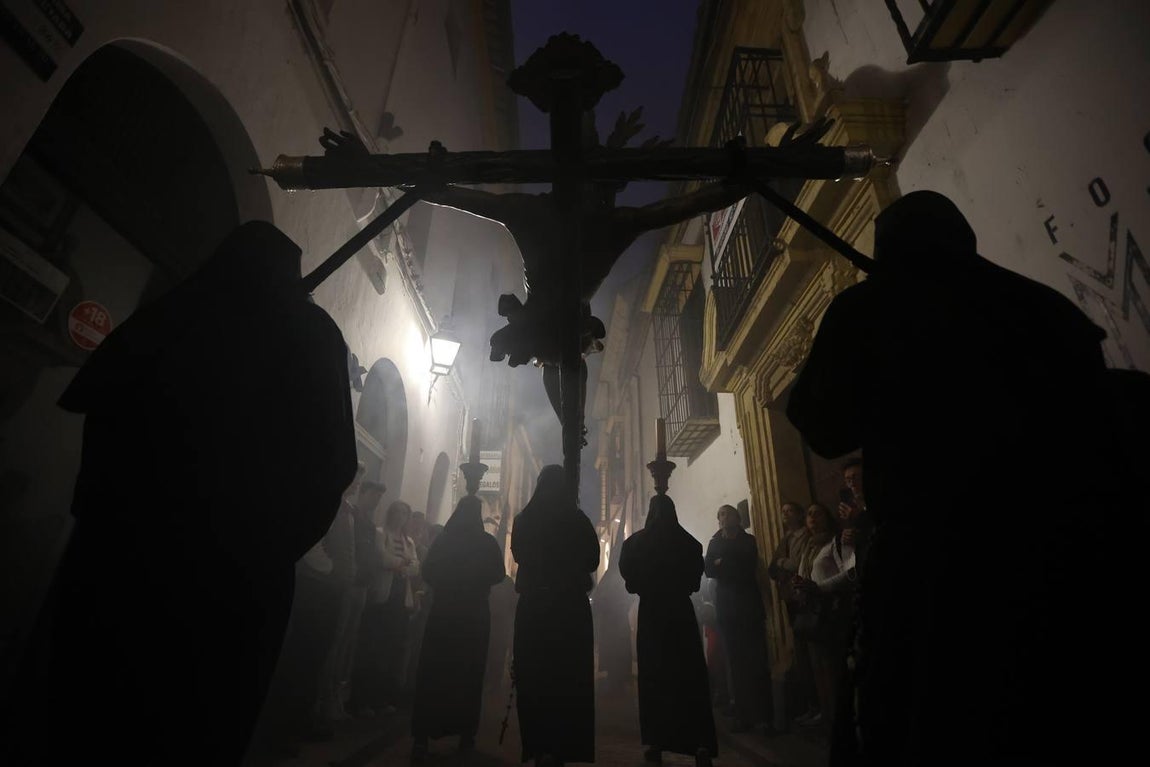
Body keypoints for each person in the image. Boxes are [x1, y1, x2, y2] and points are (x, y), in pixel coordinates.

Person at [786, 190, 1135, 765]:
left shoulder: (870, 310)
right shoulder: (1044, 308)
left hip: (935, 571)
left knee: (928, 727)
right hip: (1066, 561)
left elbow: (819, 422)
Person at [4, 221, 358, 765]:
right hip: (230, 580)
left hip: (120, 556)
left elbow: (104, 419)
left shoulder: (175, 314)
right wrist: (267, 550)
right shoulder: (310, 334)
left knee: (89, 718)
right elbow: (331, 464)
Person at [511, 465, 600, 767]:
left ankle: (538, 746)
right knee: (567, 678)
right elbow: (592, 559)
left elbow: (520, 555)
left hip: (534, 608)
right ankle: (562, 747)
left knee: (534, 677)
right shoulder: (577, 520)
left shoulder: (524, 520)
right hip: (569, 611)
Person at [619, 495, 717, 767]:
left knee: (654, 676)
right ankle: (699, 743)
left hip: (651, 615)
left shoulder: (635, 544)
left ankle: (656, 741)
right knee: (689, 676)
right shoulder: (689, 543)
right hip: (681, 615)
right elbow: (696, 583)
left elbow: (629, 580)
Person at [410, 496, 505, 760]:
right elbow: (498, 574)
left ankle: (422, 736)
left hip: (444, 613)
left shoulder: (445, 540)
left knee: (434, 672)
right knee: (469, 674)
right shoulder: (486, 542)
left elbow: (428, 571)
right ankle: (465, 734)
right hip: (473, 617)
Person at [703, 505, 769, 734]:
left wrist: (723, 562)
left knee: (756, 659)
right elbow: (709, 568)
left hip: (748, 606)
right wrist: (721, 563)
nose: (722, 517)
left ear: (736, 518)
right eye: (719, 514)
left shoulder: (747, 540)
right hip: (727, 609)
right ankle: (742, 712)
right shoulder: (714, 542)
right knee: (734, 661)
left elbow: (745, 565)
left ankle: (762, 714)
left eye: (726, 513)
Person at [350, 500, 419, 716]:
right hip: (382, 597)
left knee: (391, 649)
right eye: (398, 512)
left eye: (404, 513)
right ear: (391, 514)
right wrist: (403, 564)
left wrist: (402, 564)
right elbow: (382, 558)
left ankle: (381, 698)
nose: (401, 517)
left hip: (399, 599)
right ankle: (362, 699)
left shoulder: (409, 541)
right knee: (373, 647)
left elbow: (416, 567)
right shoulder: (380, 533)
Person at [767, 500, 815, 724]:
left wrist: (783, 562)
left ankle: (817, 704)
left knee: (811, 651)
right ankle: (810, 704)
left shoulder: (806, 535)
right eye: (782, 511)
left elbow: (795, 564)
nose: (784, 514)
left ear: (799, 514)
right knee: (801, 651)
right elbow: (771, 567)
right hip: (790, 597)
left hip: (805, 596)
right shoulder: (786, 537)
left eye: (789, 511)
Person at [591, 539, 635, 694]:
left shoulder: (614, 576)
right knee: (615, 650)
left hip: (614, 621)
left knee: (617, 650)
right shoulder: (614, 576)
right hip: (613, 621)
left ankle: (618, 678)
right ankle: (616, 677)